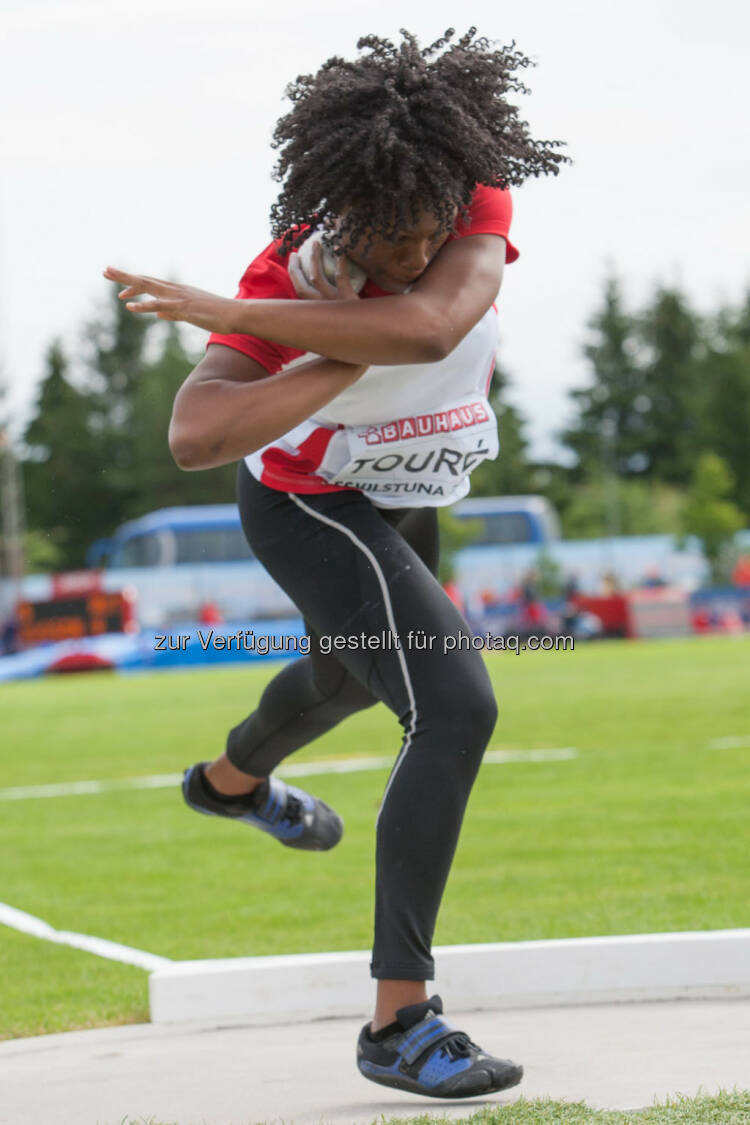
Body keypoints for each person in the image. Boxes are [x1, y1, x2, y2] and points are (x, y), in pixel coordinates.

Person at [104, 28, 567, 1100]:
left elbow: (438, 320)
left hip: (409, 502)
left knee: (342, 680)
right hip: (314, 511)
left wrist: (255, 320)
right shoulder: (285, 280)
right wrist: (313, 338)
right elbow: (197, 434)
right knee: (453, 707)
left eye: (425, 232)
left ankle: (228, 784)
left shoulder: (472, 205)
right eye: (385, 237)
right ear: (338, 212)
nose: (409, 255)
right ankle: (399, 1022)